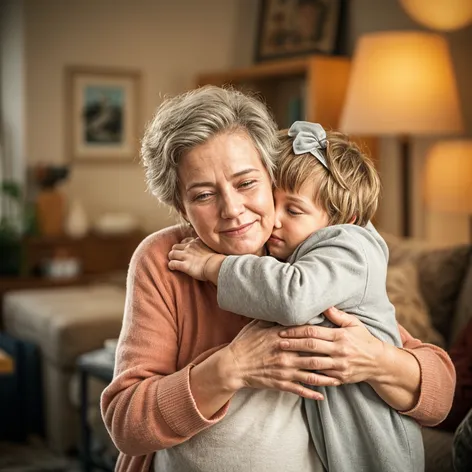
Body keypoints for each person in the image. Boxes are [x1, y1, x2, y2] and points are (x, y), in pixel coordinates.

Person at [101, 86, 456, 472]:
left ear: (271, 175)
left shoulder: (305, 253)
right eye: (203, 195)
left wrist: (373, 358)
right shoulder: (165, 260)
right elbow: (126, 423)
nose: (233, 210)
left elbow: (439, 394)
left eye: (246, 183)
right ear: (181, 208)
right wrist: (232, 366)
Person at [168, 121, 423, 471]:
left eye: (294, 210)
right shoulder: (298, 248)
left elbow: (293, 296)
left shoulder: (350, 247)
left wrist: (214, 266)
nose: (274, 221)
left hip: (373, 437)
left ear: (340, 219)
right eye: (275, 203)